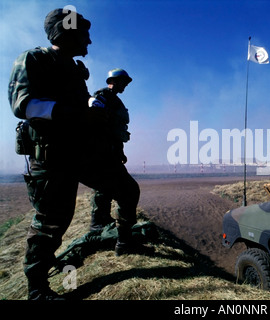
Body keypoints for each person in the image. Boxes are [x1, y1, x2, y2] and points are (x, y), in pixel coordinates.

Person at [8, 8, 142, 300]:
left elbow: (82, 106)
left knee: (128, 189)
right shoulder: (34, 59)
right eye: (84, 34)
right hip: (52, 156)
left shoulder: (73, 69)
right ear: (65, 32)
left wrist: (91, 107)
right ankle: (37, 289)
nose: (89, 42)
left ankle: (124, 242)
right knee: (51, 221)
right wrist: (78, 115)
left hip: (83, 153)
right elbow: (24, 105)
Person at [89, 68, 134, 231]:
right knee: (103, 186)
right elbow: (96, 119)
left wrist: (120, 151)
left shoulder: (114, 99)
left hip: (112, 148)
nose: (125, 86)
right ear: (113, 81)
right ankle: (97, 222)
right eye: (123, 82)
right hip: (102, 149)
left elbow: (117, 130)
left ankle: (104, 218)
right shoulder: (102, 96)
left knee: (108, 186)